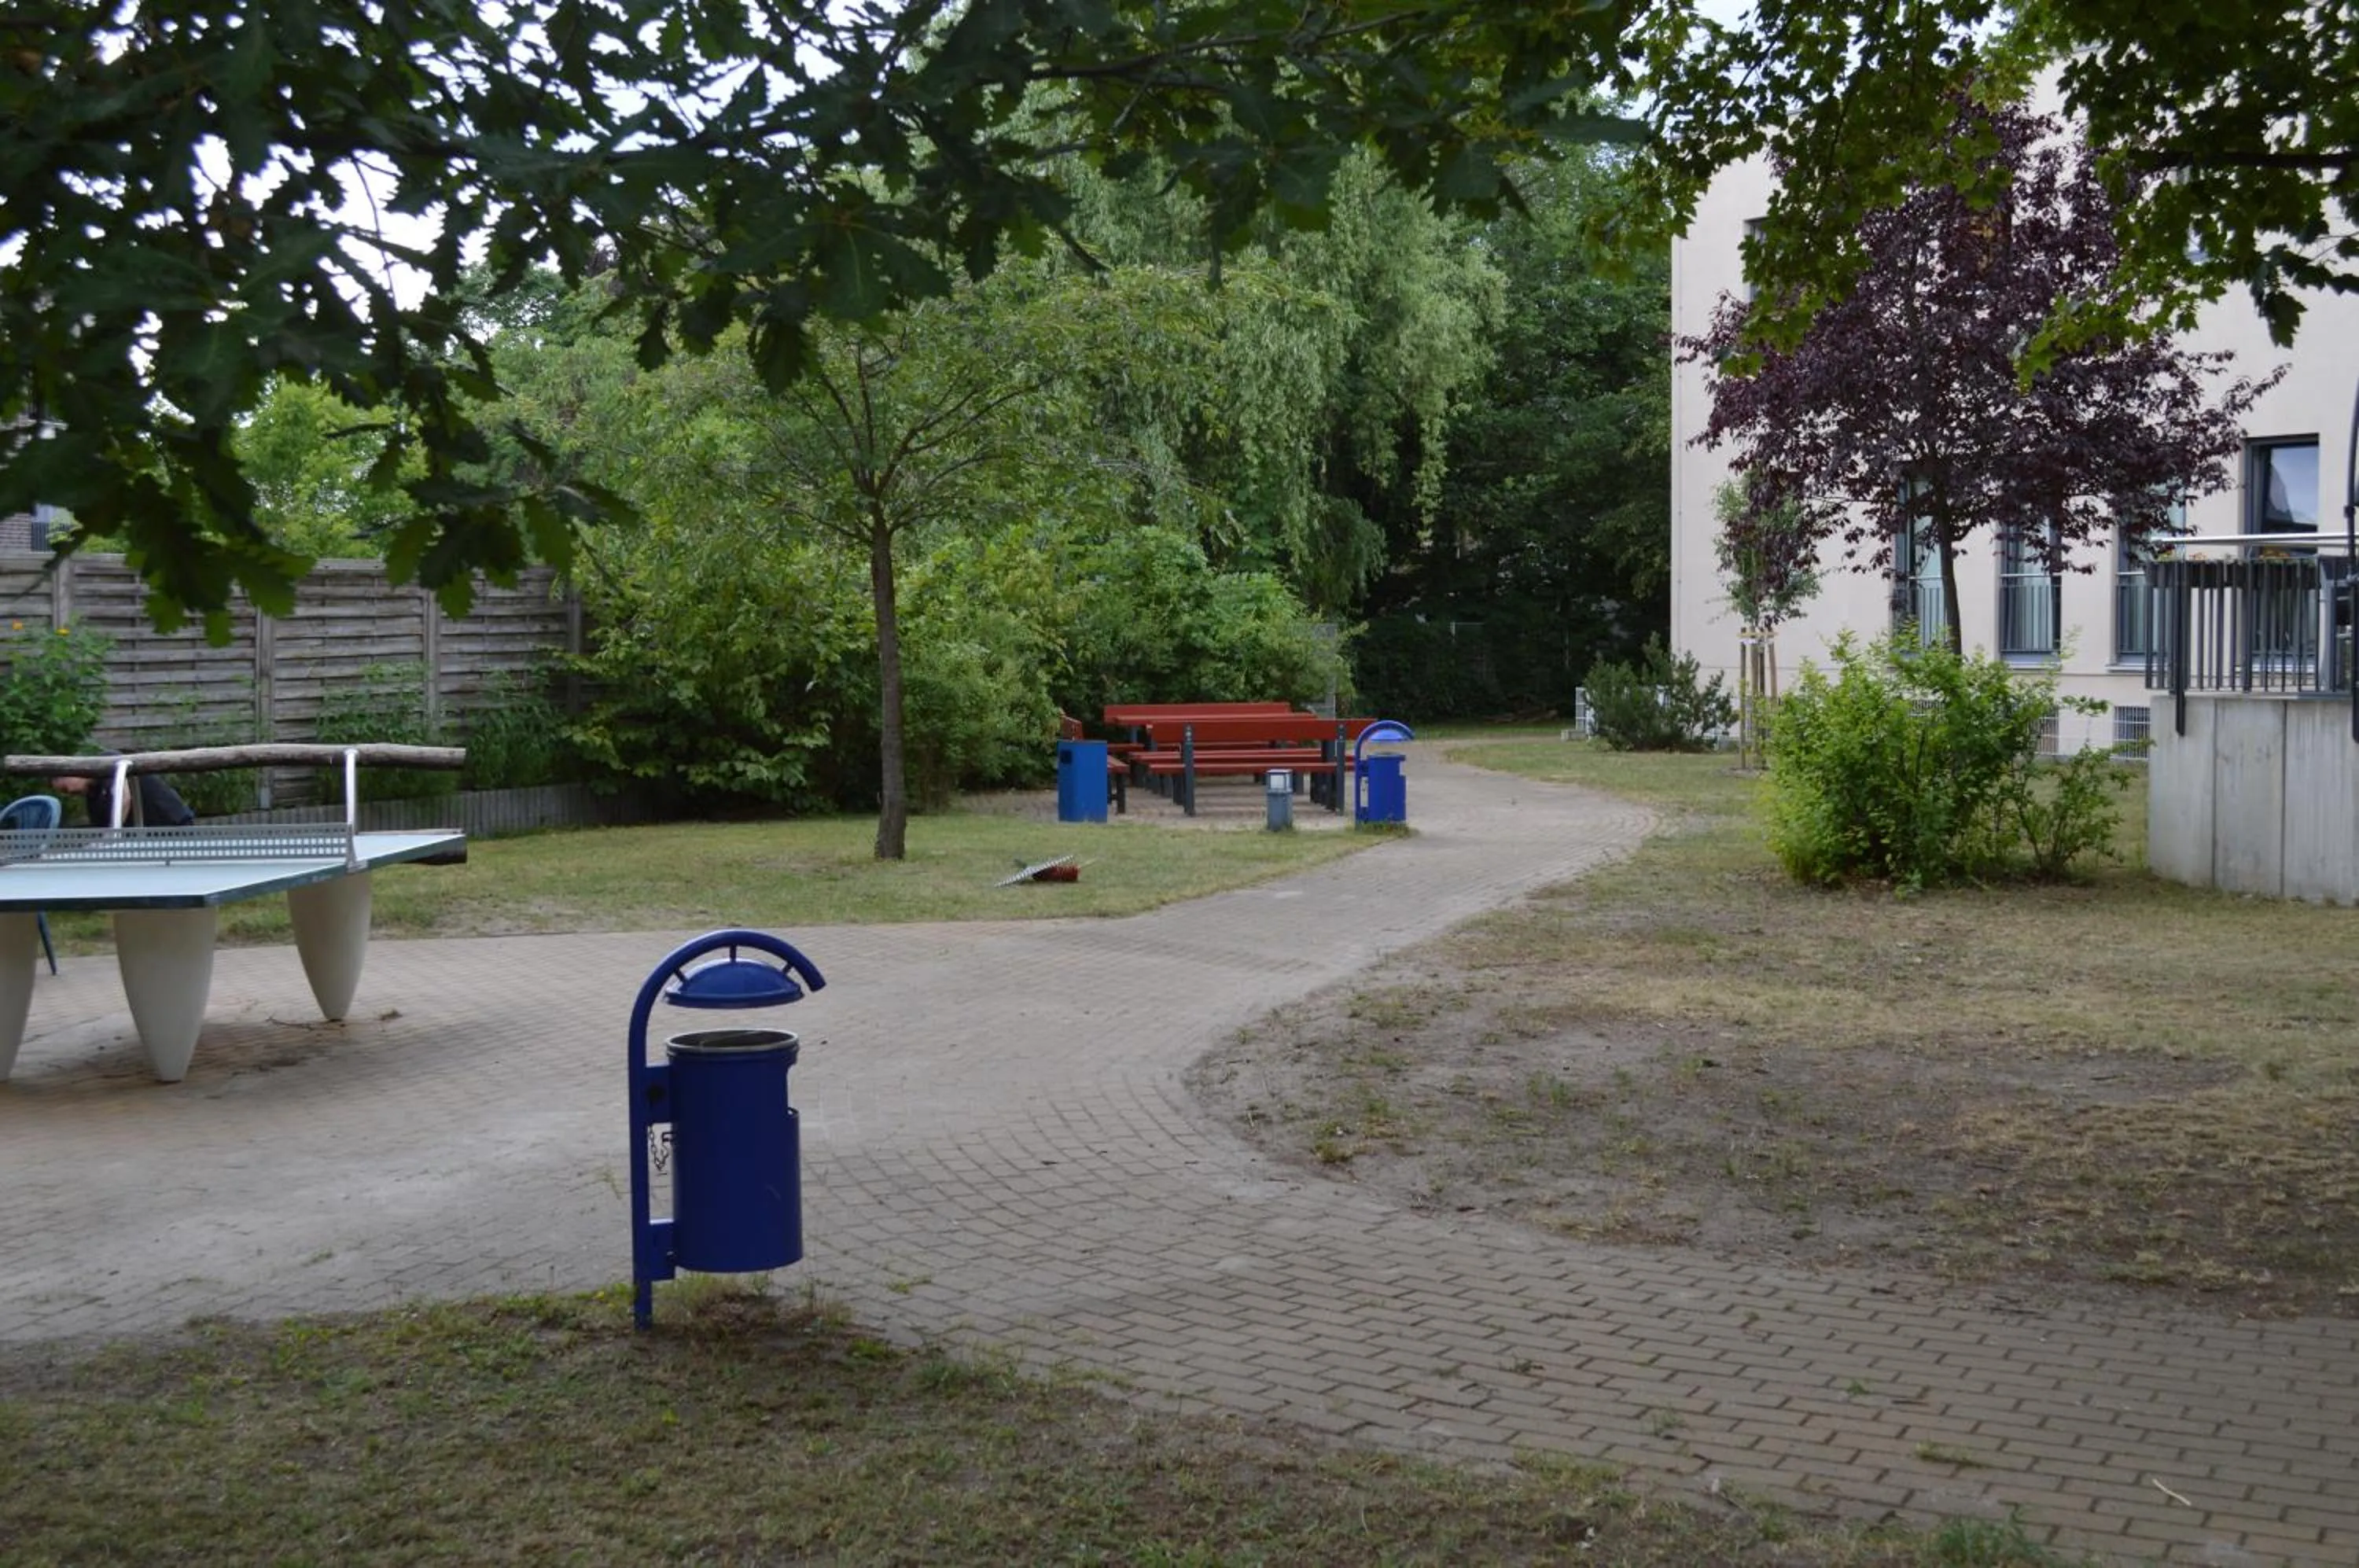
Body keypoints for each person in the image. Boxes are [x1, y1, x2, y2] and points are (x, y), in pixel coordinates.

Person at [50, 753, 197, 829]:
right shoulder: (93, 798)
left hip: (174, 824)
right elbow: (102, 831)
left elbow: (124, 798)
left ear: (73, 772)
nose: (68, 793)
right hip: (149, 836)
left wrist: (115, 836)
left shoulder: (108, 761)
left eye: (65, 788)